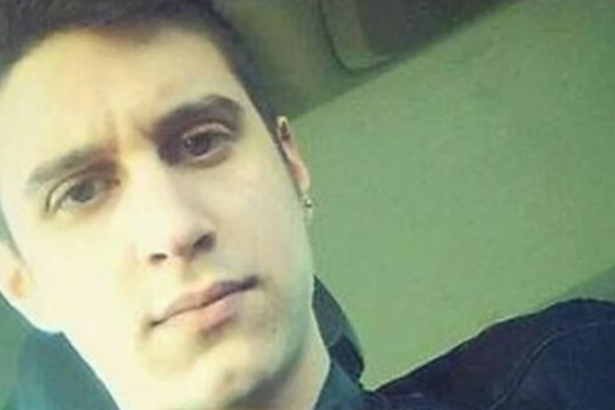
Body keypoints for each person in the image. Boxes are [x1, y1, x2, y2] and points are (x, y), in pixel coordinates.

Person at [0, 2, 614, 410]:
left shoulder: (577, 370)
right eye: (80, 191)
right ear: (22, 283)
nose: (174, 227)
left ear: (292, 165)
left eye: (200, 142)